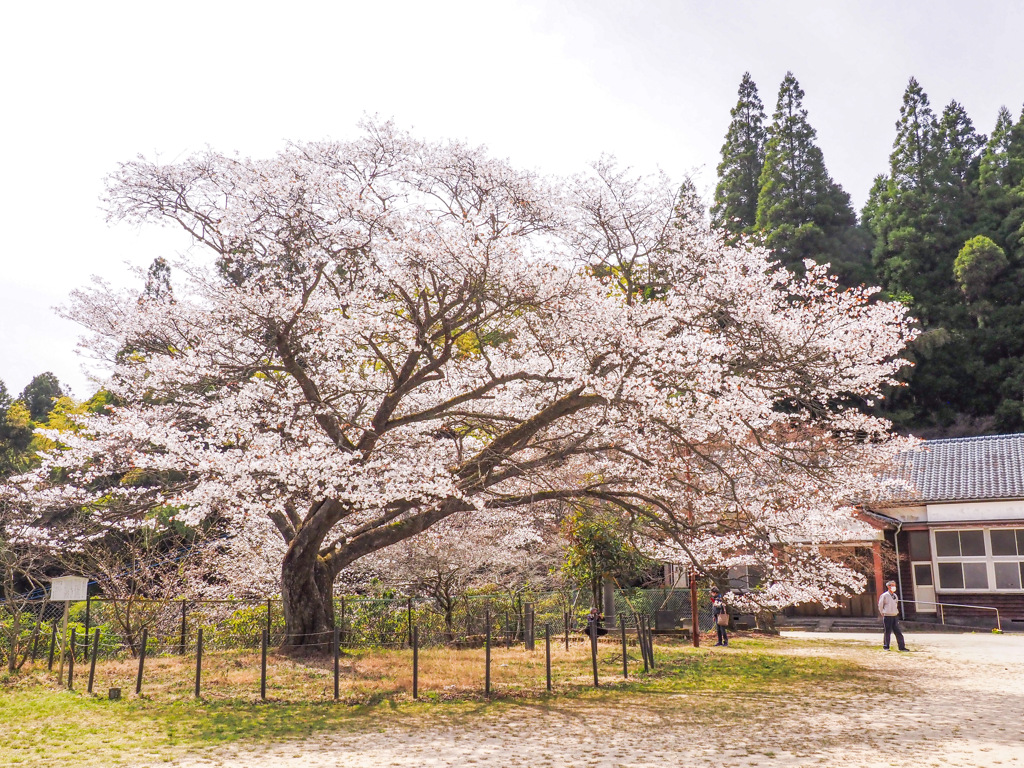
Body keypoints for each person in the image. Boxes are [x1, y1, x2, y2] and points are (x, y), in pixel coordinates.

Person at [877, 580, 909, 651]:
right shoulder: (884, 595)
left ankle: (901, 647)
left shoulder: (895, 596)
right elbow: (880, 605)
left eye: (894, 585)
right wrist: (882, 612)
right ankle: (886, 646)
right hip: (887, 615)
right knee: (887, 631)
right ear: (888, 586)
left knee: (898, 632)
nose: (894, 587)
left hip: (894, 615)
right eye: (892, 585)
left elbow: (896, 604)